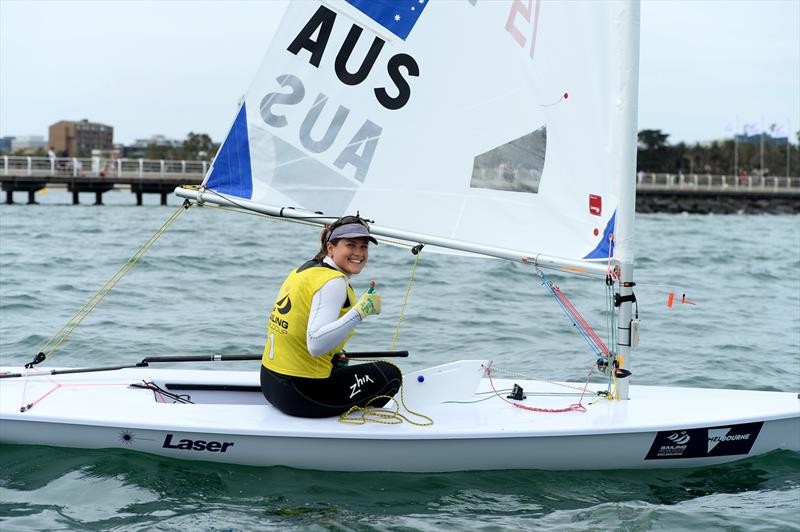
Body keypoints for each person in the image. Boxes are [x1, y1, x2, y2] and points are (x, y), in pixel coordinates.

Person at [260, 215, 402, 418]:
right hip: (301, 394)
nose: (359, 253)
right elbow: (316, 345)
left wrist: (335, 353)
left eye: (364, 247)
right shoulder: (333, 282)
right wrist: (361, 312)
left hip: (270, 383)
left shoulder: (305, 270)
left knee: (337, 362)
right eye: (350, 245)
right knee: (390, 375)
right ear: (330, 248)